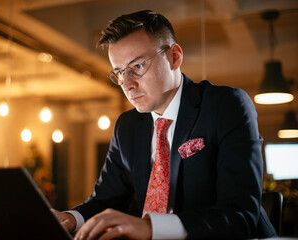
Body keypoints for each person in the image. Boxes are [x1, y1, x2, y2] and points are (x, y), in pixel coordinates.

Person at [53, 10, 277, 240]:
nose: (127, 84)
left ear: (174, 56)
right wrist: (70, 219)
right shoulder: (127, 126)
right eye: (119, 73)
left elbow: (240, 215)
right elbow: (105, 200)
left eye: (137, 66)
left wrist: (150, 228)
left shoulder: (226, 106)